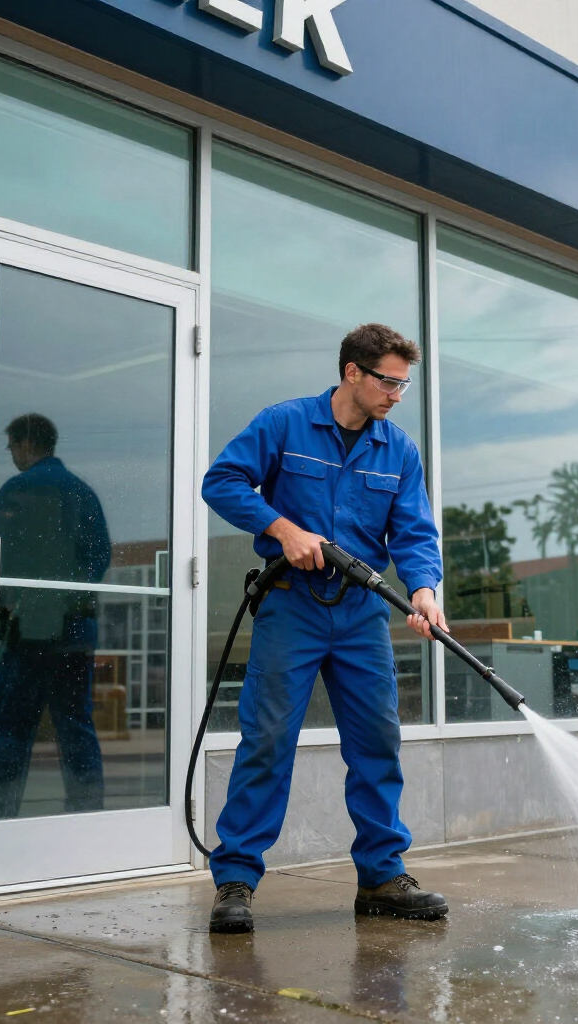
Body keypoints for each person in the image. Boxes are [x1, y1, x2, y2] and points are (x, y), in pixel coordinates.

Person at [202, 323, 448, 933]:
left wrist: (423, 588)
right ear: (352, 374)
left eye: (404, 384)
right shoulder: (285, 424)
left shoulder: (400, 450)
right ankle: (236, 878)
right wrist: (282, 527)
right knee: (266, 740)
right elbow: (222, 482)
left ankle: (382, 875)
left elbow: (414, 530)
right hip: (293, 605)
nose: (397, 394)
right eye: (389, 381)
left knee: (376, 742)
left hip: (363, 614)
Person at [0, 413, 111, 819]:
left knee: (11, 725)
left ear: (25, 445)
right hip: (75, 629)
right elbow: (100, 556)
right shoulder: (82, 493)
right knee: (74, 723)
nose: (13, 457)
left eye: (12, 448)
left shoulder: (16, 492)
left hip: (29, 629)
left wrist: (8, 603)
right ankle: (87, 812)